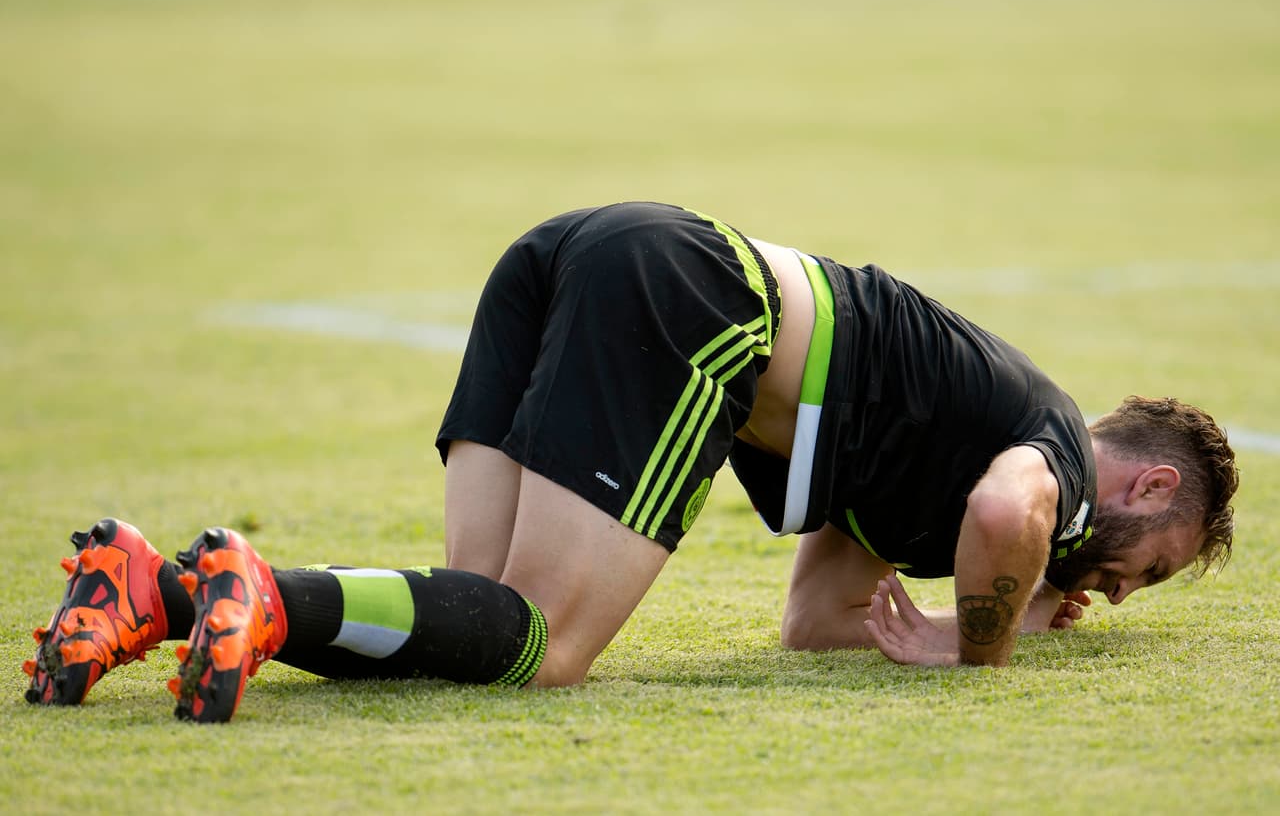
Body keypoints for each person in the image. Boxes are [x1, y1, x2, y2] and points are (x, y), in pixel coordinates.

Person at [24, 202, 1239, 722]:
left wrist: (964, 613)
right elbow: (1008, 510)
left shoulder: (939, 455)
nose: (1114, 588)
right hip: (694, 294)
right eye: (1145, 566)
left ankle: (163, 592)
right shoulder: (1054, 454)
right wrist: (980, 651)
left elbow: (817, 620)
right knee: (547, 649)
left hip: (569, 252)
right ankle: (249, 585)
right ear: (1147, 485)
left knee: (480, 625)